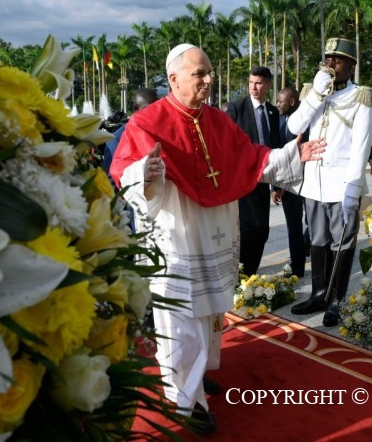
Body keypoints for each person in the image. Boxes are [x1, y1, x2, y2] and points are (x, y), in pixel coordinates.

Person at [110, 44, 324, 434]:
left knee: (208, 314)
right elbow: (124, 173)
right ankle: (185, 400)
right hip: (176, 236)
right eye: (200, 73)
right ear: (174, 78)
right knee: (181, 319)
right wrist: (146, 172)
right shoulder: (145, 123)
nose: (209, 79)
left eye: (209, 72)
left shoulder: (218, 121)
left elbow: (252, 158)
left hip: (212, 232)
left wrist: (293, 155)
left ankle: (196, 374)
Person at [288, 37, 372, 327]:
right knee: (317, 239)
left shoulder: (359, 97)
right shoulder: (314, 92)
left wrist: (353, 188)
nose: (331, 64)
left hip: (341, 185)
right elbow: (294, 126)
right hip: (314, 182)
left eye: (337, 60)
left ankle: (336, 299)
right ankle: (318, 293)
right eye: (328, 59)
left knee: (342, 242)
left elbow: (361, 146)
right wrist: (315, 94)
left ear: (351, 66)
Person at [225, 67, 281, 277]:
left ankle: (251, 273)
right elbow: (227, 145)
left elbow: (275, 147)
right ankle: (241, 273)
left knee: (263, 230)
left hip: (264, 180)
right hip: (243, 180)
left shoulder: (272, 112)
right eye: (251, 82)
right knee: (248, 228)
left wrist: (276, 184)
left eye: (258, 83)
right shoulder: (236, 109)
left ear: (267, 85)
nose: (254, 87)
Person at [271, 86, 308, 277]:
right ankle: (297, 266)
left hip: (310, 181)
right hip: (288, 185)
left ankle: (308, 246)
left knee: (313, 224)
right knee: (293, 226)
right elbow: (276, 155)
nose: (277, 105)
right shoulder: (277, 121)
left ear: (291, 102)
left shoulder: (307, 119)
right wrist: (276, 186)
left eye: (280, 101)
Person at [101, 88, 159, 180]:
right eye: (148, 109)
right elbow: (110, 180)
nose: (154, 113)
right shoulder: (116, 139)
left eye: (157, 108)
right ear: (136, 108)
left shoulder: (165, 131)